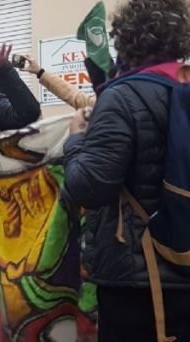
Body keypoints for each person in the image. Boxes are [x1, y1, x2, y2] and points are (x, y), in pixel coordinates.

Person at [63, 0, 190, 340]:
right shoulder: (183, 88)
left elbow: (89, 187)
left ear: (125, 40)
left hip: (137, 277)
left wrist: (75, 141)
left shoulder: (122, 97)